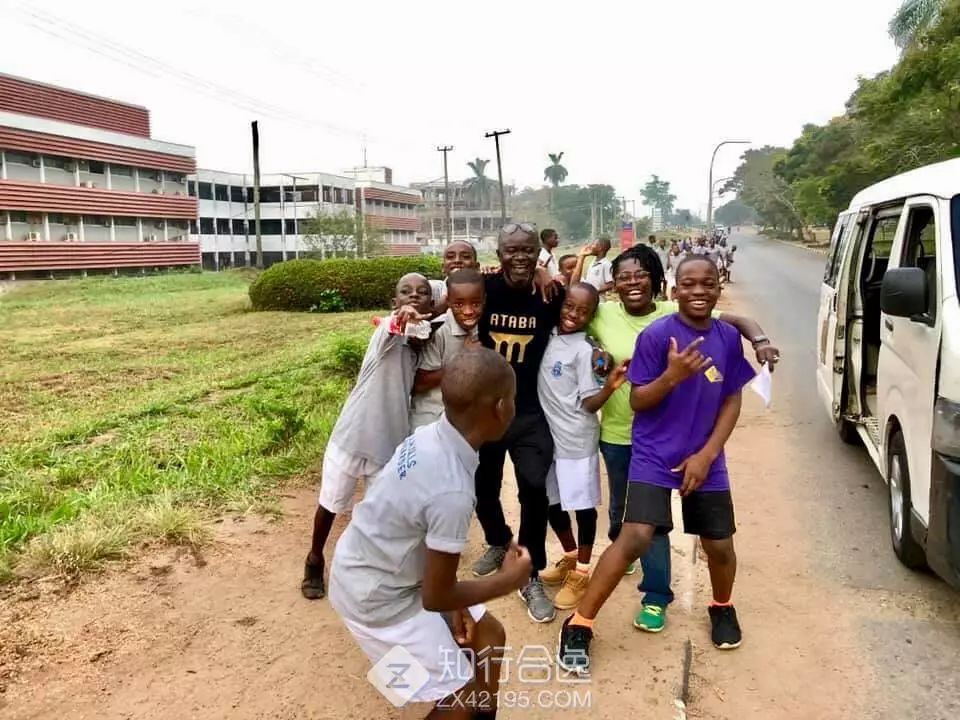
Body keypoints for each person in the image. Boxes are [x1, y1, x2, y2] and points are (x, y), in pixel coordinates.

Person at [558, 256, 758, 675]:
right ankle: (579, 623)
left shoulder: (726, 338)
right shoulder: (656, 336)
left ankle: (721, 606)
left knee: (720, 545)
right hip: (652, 453)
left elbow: (732, 399)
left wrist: (707, 455)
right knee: (634, 536)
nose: (699, 291)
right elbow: (637, 400)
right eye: (689, 284)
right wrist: (672, 376)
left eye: (707, 283)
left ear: (718, 287)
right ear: (675, 289)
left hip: (705, 455)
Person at [329, 348, 529, 718]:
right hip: (375, 601)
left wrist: (455, 601)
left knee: (489, 636)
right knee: (460, 698)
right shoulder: (451, 490)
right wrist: (508, 580)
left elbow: (418, 533)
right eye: (513, 399)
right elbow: (437, 596)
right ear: (501, 408)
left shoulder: (431, 435)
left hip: (384, 571)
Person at [301, 273, 433, 599]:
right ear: (394, 302)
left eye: (422, 292)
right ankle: (315, 558)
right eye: (405, 292)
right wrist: (402, 317)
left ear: (431, 304)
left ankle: (365, 569)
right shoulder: (385, 334)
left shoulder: (423, 345)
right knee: (330, 504)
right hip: (352, 437)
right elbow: (396, 324)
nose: (413, 296)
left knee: (376, 513)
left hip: (388, 444)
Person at [472, 222, 565, 624]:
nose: (521, 257)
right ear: (499, 255)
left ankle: (529, 572)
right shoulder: (484, 289)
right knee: (482, 487)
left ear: (538, 253)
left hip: (529, 412)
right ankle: (498, 540)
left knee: (534, 489)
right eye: (512, 250)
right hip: (485, 413)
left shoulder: (550, 294)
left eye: (528, 249)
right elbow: (445, 298)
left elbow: (584, 315)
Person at [538, 282, 628, 609]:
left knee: (582, 507)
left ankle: (583, 572)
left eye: (583, 311)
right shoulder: (547, 334)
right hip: (546, 438)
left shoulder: (586, 350)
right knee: (552, 502)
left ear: (591, 317)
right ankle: (570, 555)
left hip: (576, 440)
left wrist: (610, 387)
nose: (573, 315)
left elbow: (589, 404)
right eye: (569, 306)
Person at [411, 268, 484, 429]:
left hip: (463, 421)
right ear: (448, 302)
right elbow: (420, 384)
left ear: (484, 300)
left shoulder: (484, 329)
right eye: (459, 304)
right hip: (430, 420)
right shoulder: (438, 331)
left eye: (475, 304)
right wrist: (463, 360)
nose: (468, 311)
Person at [429, 241, 480, 312]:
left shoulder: (486, 291)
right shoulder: (430, 290)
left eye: (465, 257)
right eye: (450, 257)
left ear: (476, 267)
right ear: (443, 267)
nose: (457, 260)